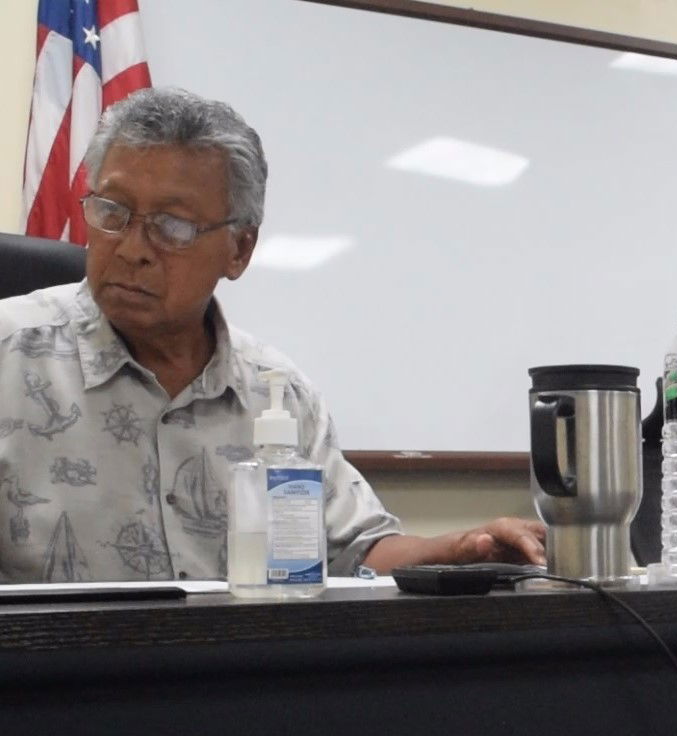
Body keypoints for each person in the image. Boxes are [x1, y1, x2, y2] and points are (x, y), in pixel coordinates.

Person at [0, 87, 544, 583]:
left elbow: (356, 551)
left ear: (239, 250)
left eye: (173, 226)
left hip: (242, 681)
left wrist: (460, 549)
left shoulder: (277, 391)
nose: (131, 248)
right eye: (112, 211)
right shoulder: (10, 357)